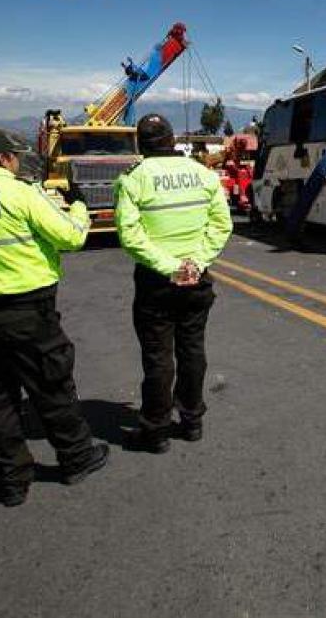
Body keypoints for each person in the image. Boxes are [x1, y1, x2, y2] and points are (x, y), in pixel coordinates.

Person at [0, 131, 106, 506]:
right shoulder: (20, 193)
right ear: (1, 160)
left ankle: (13, 479)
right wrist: (77, 206)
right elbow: (71, 238)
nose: (16, 163)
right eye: (13, 157)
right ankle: (77, 458)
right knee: (51, 386)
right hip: (28, 311)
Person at [114, 113, 232, 453]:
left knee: (158, 357)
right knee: (192, 350)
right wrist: (195, 263)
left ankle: (156, 431)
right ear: (172, 139)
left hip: (156, 283)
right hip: (197, 279)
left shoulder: (133, 179)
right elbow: (221, 225)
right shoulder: (203, 173)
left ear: (140, 143)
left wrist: (169, 267)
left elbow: (130, 236)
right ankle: (192, 422)